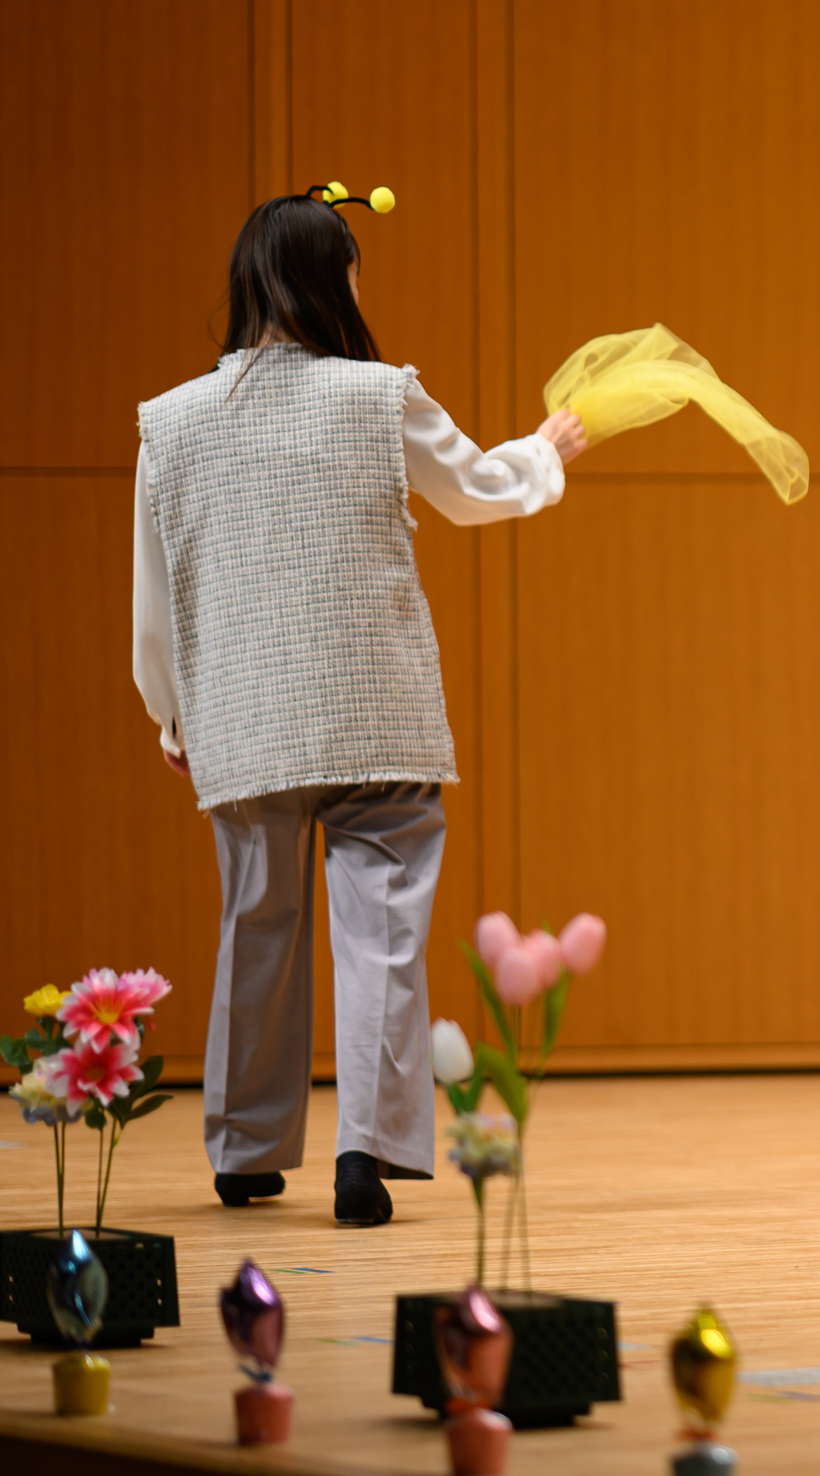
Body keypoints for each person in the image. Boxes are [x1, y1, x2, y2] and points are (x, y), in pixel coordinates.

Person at [133, 186, 586, 1227]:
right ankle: (366, 1150)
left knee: (256, 922)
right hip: (373, 705)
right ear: (334, 276)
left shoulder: (171, 421)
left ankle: (245, 1150)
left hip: (243, 716)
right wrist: (544, 454)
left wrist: (172, 717)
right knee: (382, 927)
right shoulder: (377, 394)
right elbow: (474, 486)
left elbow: (155, 593)